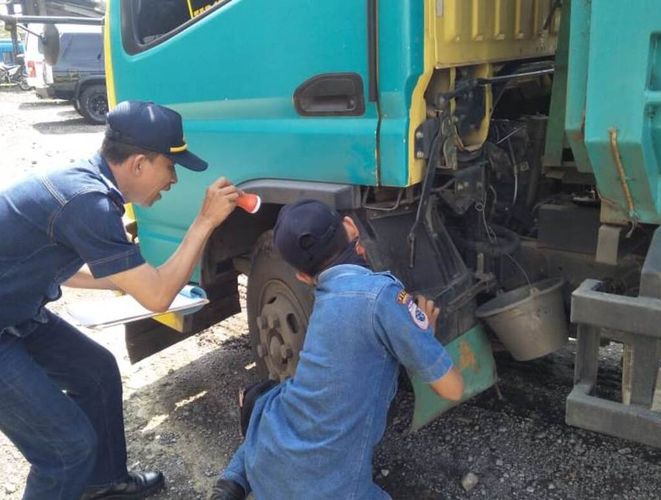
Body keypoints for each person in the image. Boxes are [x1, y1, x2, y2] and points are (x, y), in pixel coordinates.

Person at [0, 100, 241, 499]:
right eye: (171, 166)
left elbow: (60, 269)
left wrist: (125, 279)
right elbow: (159, 298)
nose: (174, 180)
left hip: (17, 311)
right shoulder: (87, 202)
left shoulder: (84, 185)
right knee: (66, 451)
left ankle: (102, 484)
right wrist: (205, 221)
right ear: (139, 164)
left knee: (96, 372)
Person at [211, 200, 465, 500]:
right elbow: (453, 389)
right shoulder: (381, 296)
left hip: (265, 467)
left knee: (273, 400)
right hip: (329, 492)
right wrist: (424, 339)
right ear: (350, 227)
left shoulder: (326, 298)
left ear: (303, 277)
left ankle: (232, 481)